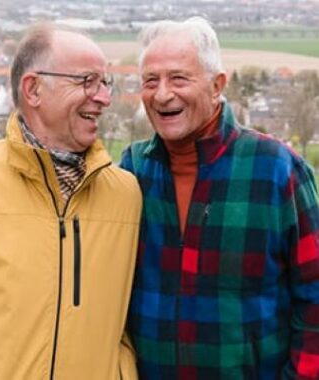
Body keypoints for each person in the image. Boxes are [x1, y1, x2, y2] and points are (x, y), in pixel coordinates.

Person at [0, 23, 141, 379]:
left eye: (105, 83)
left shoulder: (126, 195)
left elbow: (126, 322)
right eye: (86, 81)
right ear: (33, 89)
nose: (104, 97)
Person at [120, 17, 319, 379]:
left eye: (179, 78)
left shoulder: (276, 169)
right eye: (151, 81)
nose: (162, 94)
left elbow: (315, 295)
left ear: (217, 85)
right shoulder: (131, 172)